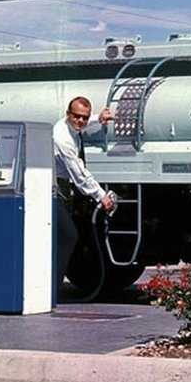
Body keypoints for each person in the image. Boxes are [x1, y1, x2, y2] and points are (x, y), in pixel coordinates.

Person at [52, 96, 116, 287]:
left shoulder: (71, 127)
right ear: (67, 114)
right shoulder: (62, 138)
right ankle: (52, 287)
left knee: (61, 235)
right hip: (53, 187)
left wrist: (99, 118)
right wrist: (101, 196)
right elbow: (78, 173)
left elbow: (80, 125)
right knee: (68, 234)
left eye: (85, 117)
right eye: (76, 116)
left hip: (62, 186)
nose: (81, 121)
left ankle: (52, 285)